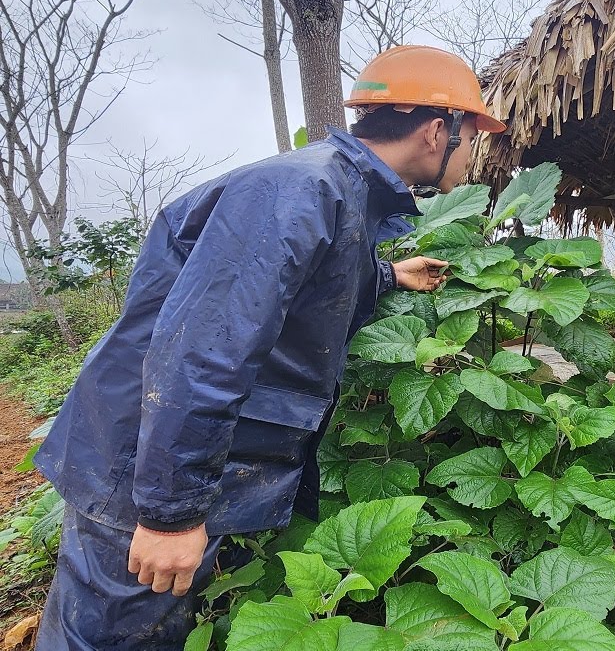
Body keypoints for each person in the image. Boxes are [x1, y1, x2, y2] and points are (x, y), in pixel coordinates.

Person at [32, 45, 507, 650]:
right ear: (439, 132)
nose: (473, 157)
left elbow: (296, 286)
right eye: (474, 140)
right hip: (141, 468)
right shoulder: (301, 191)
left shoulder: (334, 187)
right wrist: (168, 515)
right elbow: (204, 352)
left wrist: (387, 275)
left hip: (159, 458)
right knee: (111, 637)